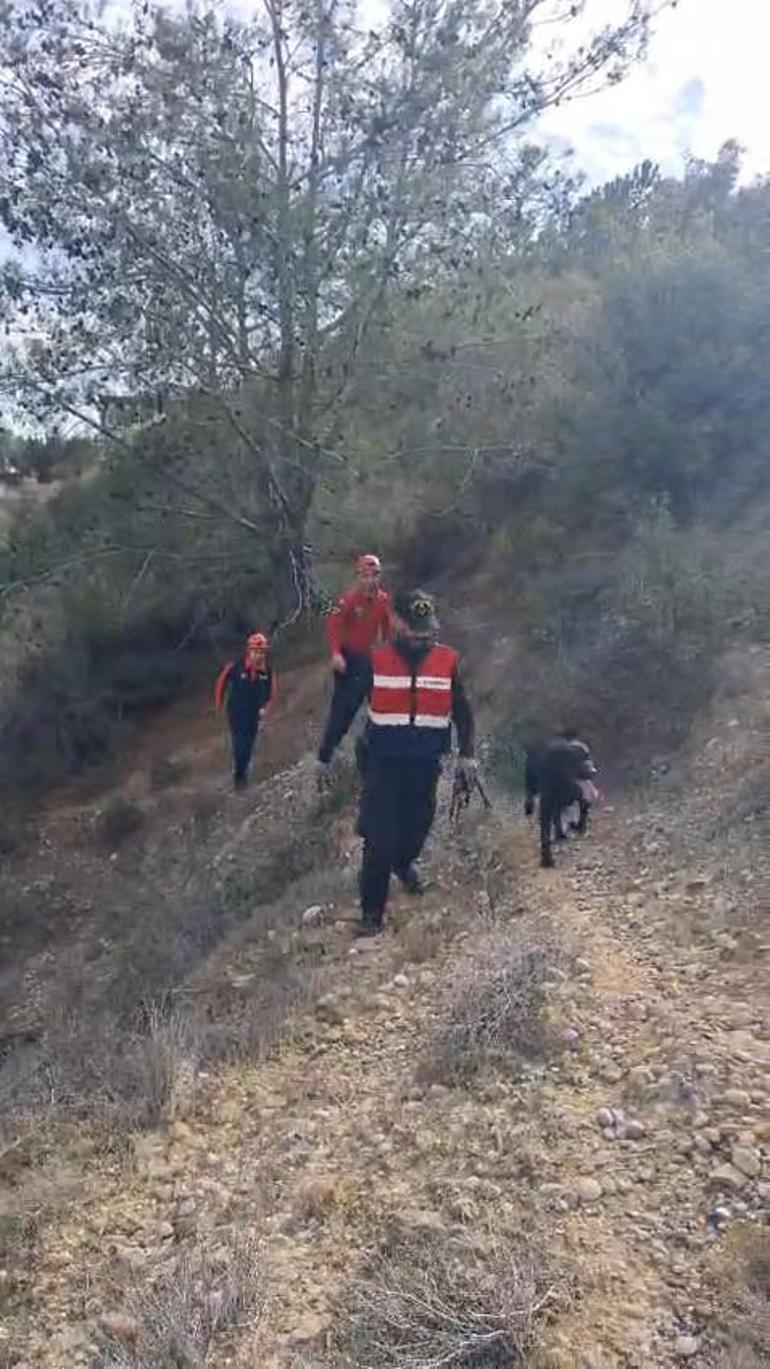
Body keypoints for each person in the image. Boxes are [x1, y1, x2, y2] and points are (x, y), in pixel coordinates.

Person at [318, 588, 476, 936]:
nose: (422, 636)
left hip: (425, 763)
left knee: (418, 827)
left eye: (426, 629)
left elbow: (463, 711)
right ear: (396, 622)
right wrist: (325, 755)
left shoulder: (447, 661)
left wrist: (468, 755)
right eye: (414, 628)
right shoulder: (374, 661)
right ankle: (371, 914)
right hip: (382, 763)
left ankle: (403, 864)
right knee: (380, 838)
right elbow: (345, 708)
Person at [318, 552, 392, 764]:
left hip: (368, 658)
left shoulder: (382, 599)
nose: (370, 580)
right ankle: (325, 757)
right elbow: (333, 626)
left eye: (375, 575)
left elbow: (386, 627)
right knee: (344, 710)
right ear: (359, 577)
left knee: (380, 705)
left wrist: (388, 652)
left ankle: (373, 752)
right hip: (348, 659)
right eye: (366, 576)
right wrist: (335, 653)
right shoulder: (348, 599)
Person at [214, 632, 276, 790]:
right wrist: (219, 703)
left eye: (262, 652)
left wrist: (265, 709)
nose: (259, 655)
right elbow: (221, 682)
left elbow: (271, 693)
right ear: (249, 651)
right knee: (239, 745)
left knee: (249, 746)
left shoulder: (267, 671)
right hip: (236, 711)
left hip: (253, 714)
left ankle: (243, 772)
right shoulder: (236, 667)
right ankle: (239, 778)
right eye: (256, 651)